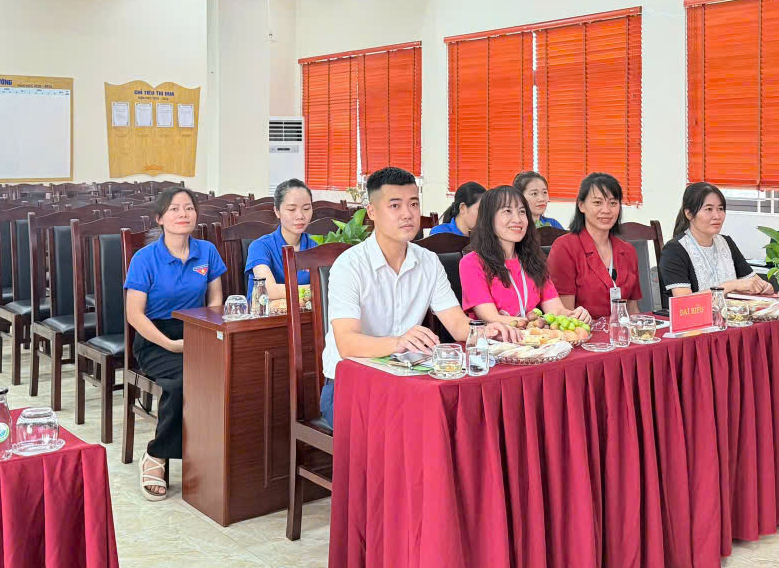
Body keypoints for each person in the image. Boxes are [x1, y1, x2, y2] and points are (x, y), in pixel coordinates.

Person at [323, 167, 515, 427]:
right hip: (352, 385)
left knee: (469, 417)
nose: (408, 214)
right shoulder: (349, 266)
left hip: (407, 381)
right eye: (395, 205)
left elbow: (458, 326)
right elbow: (347, 343)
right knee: (412, 430)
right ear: (372, 212)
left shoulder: (428, 262)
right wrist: (399, 342)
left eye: (413, 204)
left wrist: (488, 330)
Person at [125, 187, 226, 501]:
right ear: (160, 218)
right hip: (155, 336)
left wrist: (205, 335)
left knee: (230, 373)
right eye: (174, 209)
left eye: (189, 208)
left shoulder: (207, 251)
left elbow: (216, 301)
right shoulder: (145, 258)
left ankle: (212, 456)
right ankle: (156, 454)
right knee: (184, 381)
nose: (183, 214)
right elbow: (134, 314)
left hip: (197, 328)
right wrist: (170, 344)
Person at [460, 185, 591, 323]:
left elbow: (557, 311)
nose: (518, 219)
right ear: (488, 219)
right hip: (495, 336)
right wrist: (535, 326)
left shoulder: (533, 260)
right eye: (507, 211)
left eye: (522, 212)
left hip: (532, 336)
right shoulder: (471, 263)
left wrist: (575, 315)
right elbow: (490, 318)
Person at [547, 173, 642, 319]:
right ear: (581, 205)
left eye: (613, 203)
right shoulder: (565, 247)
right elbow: (565, 315)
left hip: (623, 332)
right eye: (597, 203)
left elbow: (633, 309)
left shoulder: (628, 251)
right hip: (583, 331)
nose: (606, 210)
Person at [659, 182, 773, 299]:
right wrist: (731, 285)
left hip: (733, 310)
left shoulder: (727, 242)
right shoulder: (674, 250)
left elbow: (755, 282)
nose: (717, 216)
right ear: (689, 214)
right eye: (709, 209)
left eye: (720, 209)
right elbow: (683, 302)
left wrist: (765, 287)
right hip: (699, 312)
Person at [244, 178, 318, 299]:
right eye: (291, 209)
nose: (300, 216)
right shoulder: (260, 246)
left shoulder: (317, 244)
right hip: (266, 311)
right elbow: (269, 290)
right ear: (277, 211)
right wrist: (316, 289)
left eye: (306, 209)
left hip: (308, 311)